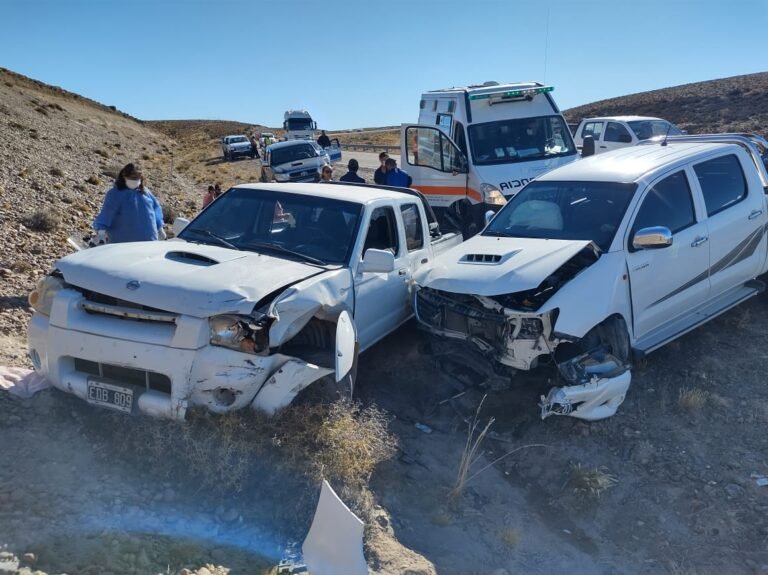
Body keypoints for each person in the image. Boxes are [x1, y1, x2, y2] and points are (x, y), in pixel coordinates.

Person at [92, 162, 165, 244]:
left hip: (148, 243)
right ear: (124, 176)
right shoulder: (115, 194)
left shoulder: (145, 192)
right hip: (123, 245)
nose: (134, 180)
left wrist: (160, 228)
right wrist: (101, 232)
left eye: (137, 177)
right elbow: (106, 213)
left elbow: (156, 210)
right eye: (132, 177)